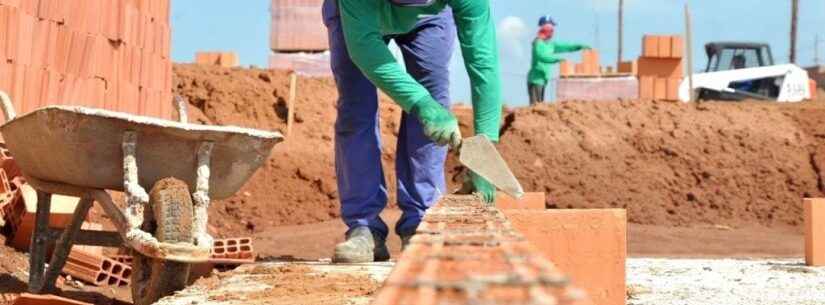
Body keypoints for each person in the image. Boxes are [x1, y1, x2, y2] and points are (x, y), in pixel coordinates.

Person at [322, 0, 502, 263]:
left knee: (434, 99)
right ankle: (364, 227)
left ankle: (421, 220)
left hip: (431, 19)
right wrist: (421, 103)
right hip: (356, 14)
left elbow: (483, 62)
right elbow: (364, 51)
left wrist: (485, 149)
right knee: (356, 107)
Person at [527, 16, 590, 105]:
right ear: (545, 28)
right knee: (535, 106)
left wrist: (578, 46)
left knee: (540, 105)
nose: (553, 31)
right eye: (551, 28)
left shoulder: (550, 44)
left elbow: (566, 46)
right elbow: (542, 57)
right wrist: (557, 59)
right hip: (535, 80)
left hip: (543, 79)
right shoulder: (538, 43)